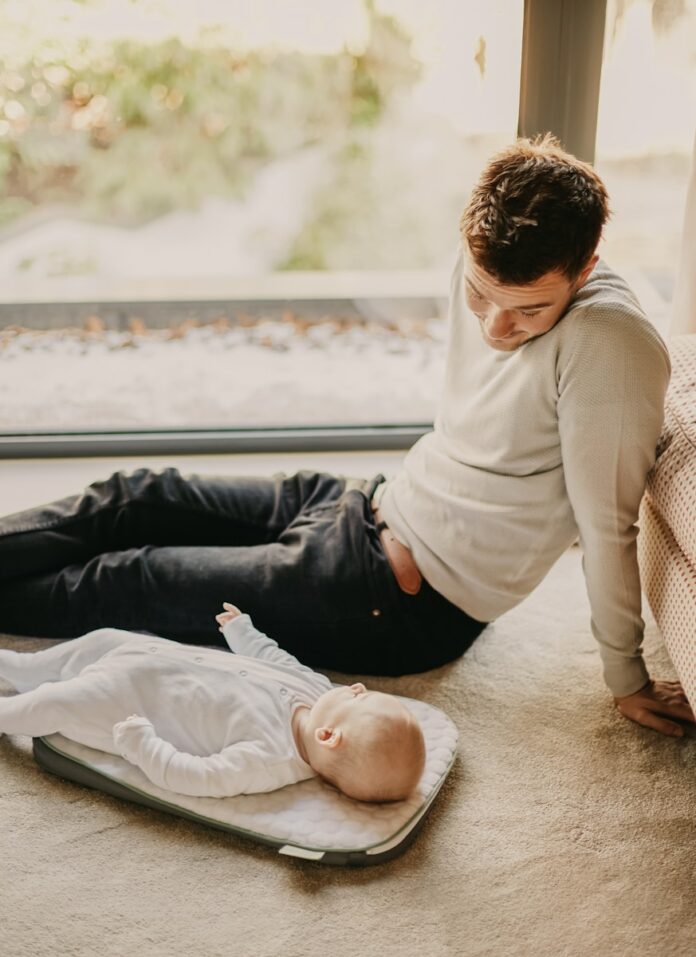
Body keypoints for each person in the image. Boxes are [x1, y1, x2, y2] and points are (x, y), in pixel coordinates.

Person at [0, 134, 693, 739]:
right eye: (483, 295)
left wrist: (625, 675)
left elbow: (608, 527)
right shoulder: (483, 259)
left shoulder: (611, 346)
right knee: (136, 494)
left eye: (531, 310)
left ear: (589, 265)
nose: (496, 328)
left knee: (133, 577)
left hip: (390, 597)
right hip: (359, 501)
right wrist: (502, 300)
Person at [0, 601, 425, 803]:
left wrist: (144, 745)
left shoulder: (267, 761)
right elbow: (276, 659)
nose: (356, 688)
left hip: (124, 703)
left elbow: (196, 776)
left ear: (329, 736)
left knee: (51, 705)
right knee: (97, 641)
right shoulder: (315, 690)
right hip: (146, 656)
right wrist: (244, 633)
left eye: (359, 698)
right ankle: (19, 666)